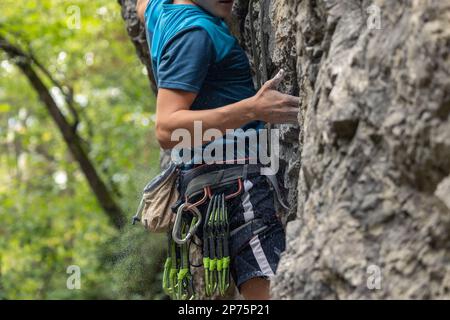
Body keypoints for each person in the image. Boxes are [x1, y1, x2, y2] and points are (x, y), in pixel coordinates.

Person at [136, 0, 299, 299]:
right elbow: (167, 129)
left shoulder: (160, 12)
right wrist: (253, 109)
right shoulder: (194, 34)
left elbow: (142, 5)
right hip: (235, 186)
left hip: (211, 186)